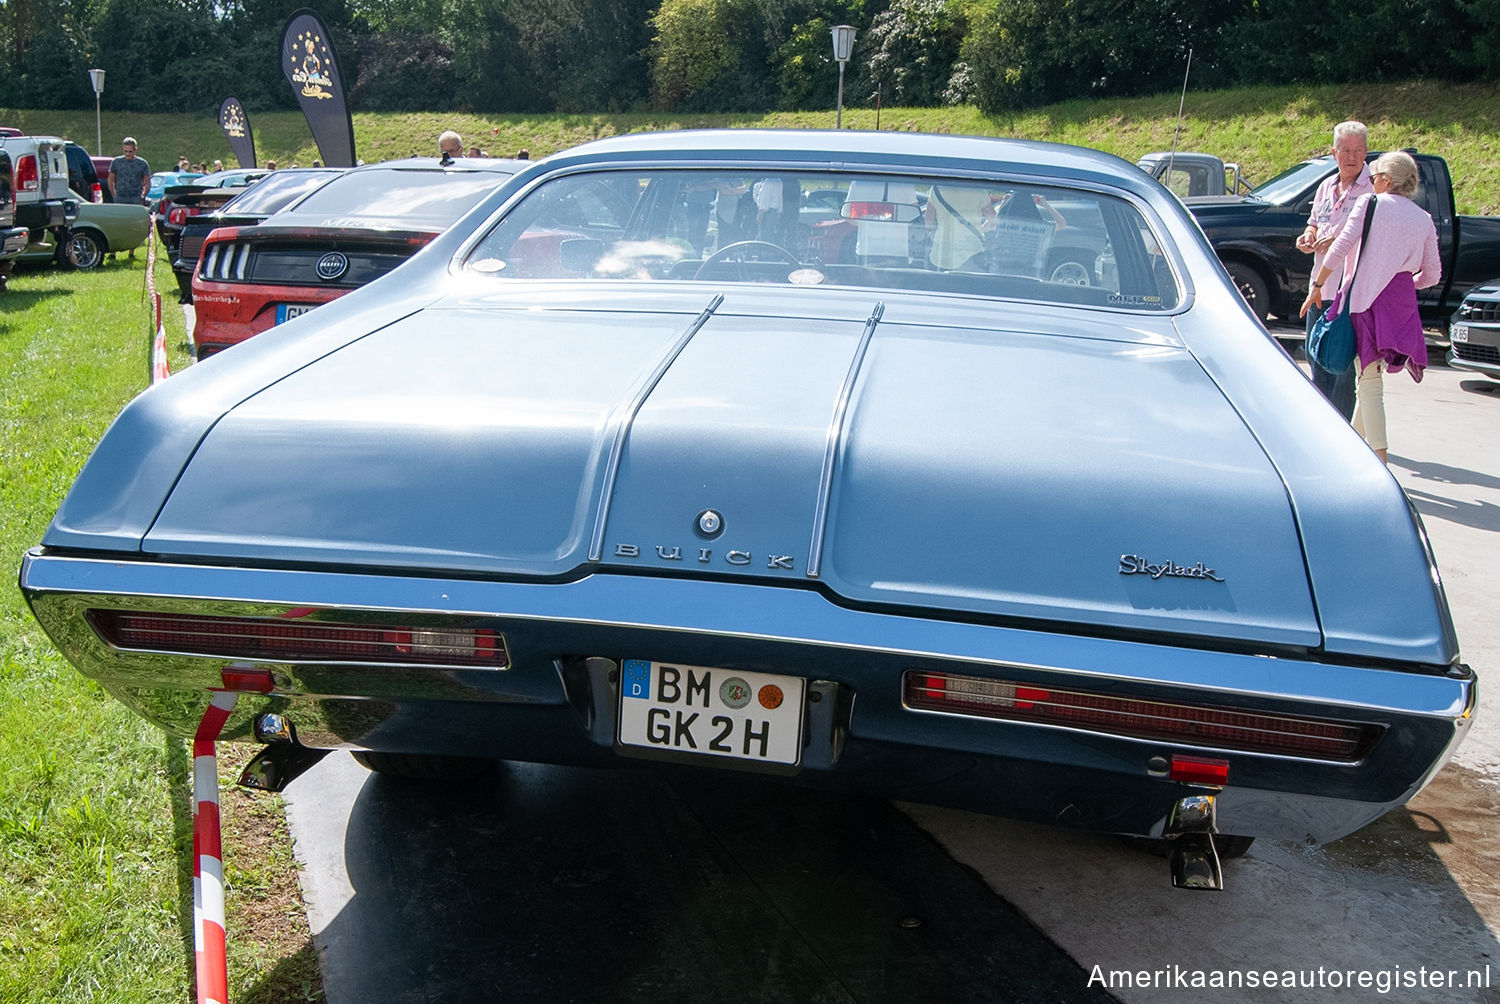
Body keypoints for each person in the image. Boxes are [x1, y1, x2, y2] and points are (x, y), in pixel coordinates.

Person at [1300, 151, 1440, 464]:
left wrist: (1318, 285)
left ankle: (1380, 461)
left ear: (1387, 180)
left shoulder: (1370, 204)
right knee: (1370, 375)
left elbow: (1340, 246)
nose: (1372, 182)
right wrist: (1403, 284)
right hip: (1400, 306)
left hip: (1365, 302)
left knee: (1370, 382)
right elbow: (1432, 274)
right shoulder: (1424, 219)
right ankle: (1352, 448)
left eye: (1375, 177)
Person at [1296, 121, 1375, 419]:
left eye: (1357, 150)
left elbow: (1366, 234)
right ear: (1334, 152)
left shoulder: (1372, 189)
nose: (1351, 157)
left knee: (1341, 366)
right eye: (1345, 150)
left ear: (1366, 152)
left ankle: (1340, 428)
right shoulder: (1325, 186)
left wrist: (1339, 238)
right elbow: (1314, 222)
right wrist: (1308, 235)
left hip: (1350, 291)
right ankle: (1322, 422)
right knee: (1315, 355)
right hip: (1319, 286)